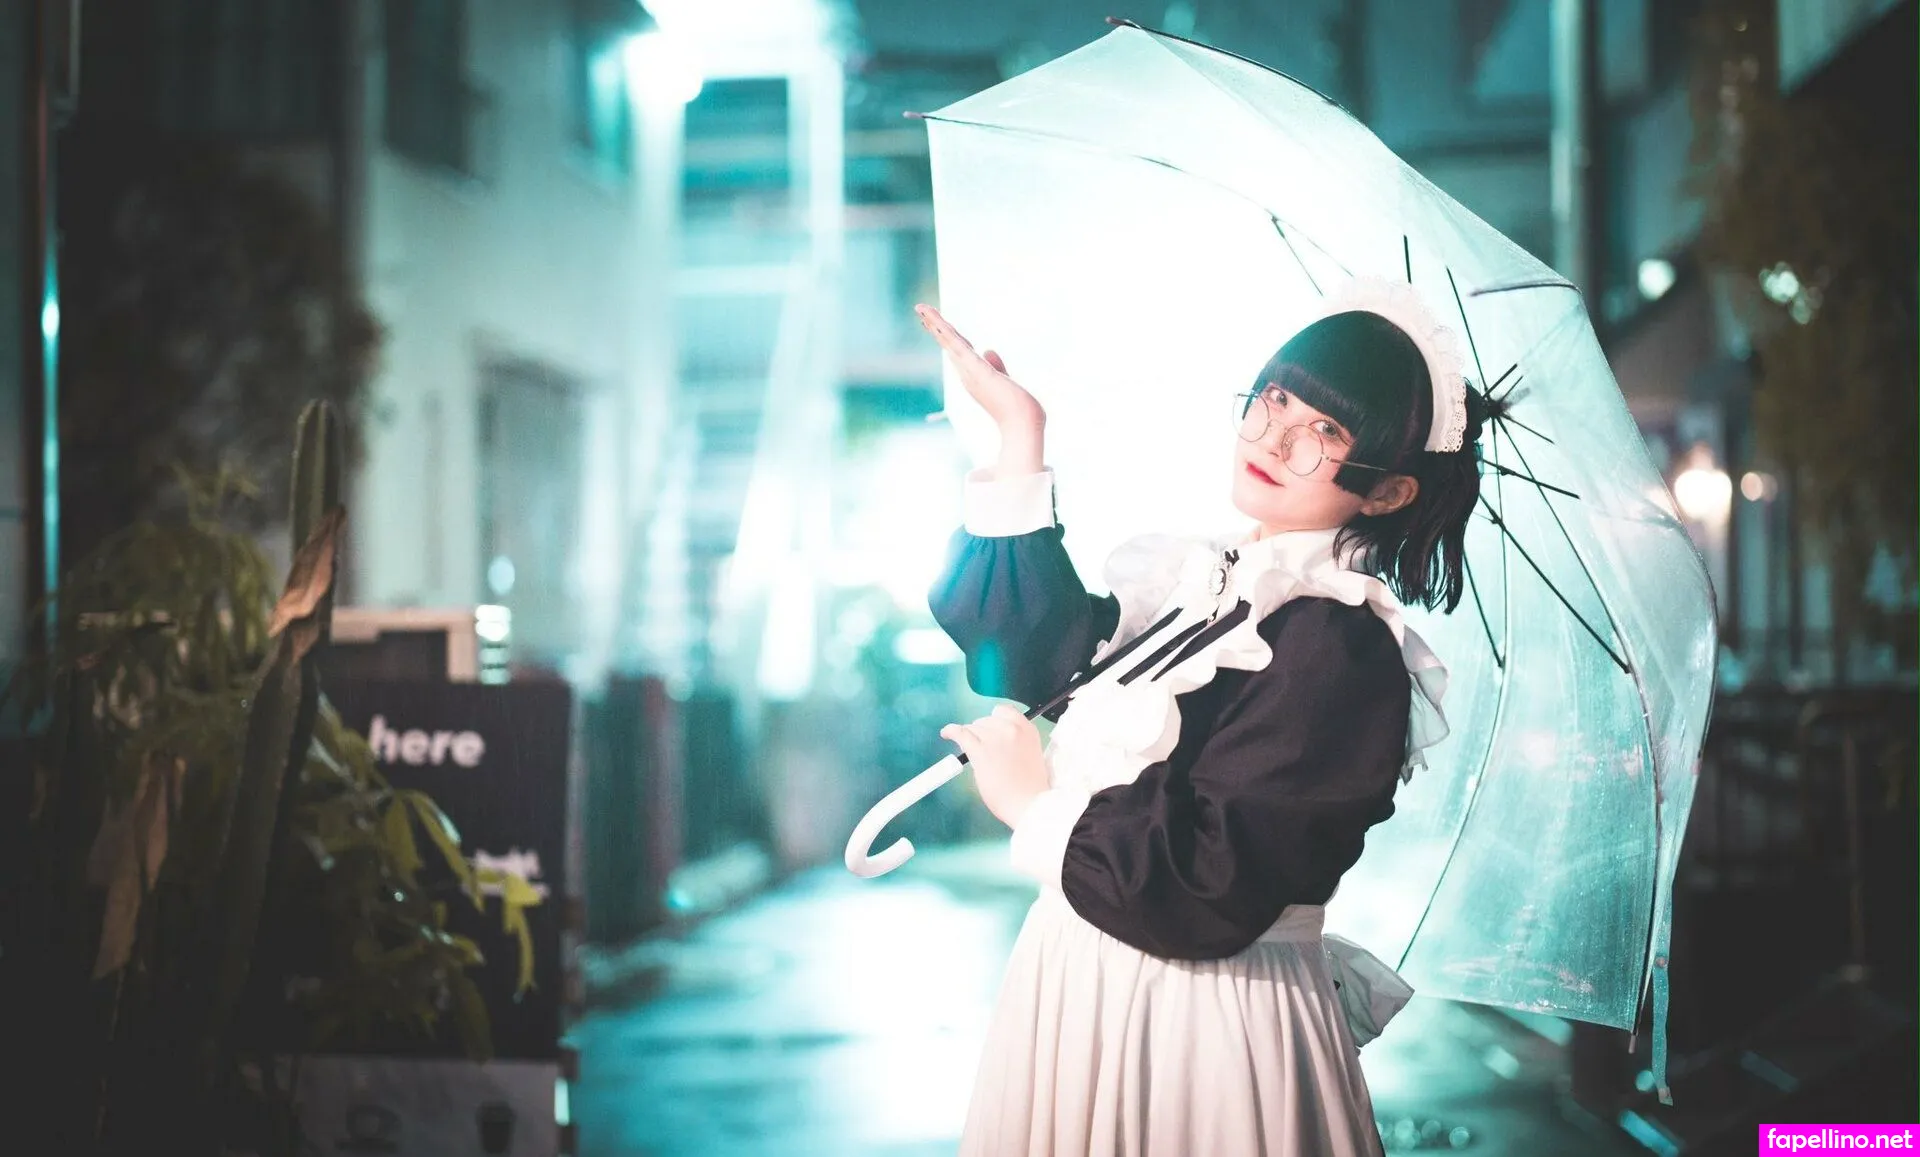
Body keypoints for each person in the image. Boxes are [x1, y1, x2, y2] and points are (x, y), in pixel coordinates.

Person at [918, 280, 1491, 1157]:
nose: (1278, 438)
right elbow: (1037, 652)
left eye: (1326, 433)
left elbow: (1213, 879)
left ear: (1385, 493)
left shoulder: (1338, 642)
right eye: (1276, 399)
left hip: (1198, 1019)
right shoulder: (1209, 585)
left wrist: (1036, 808)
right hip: (1089, 976)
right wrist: (1020, 437)